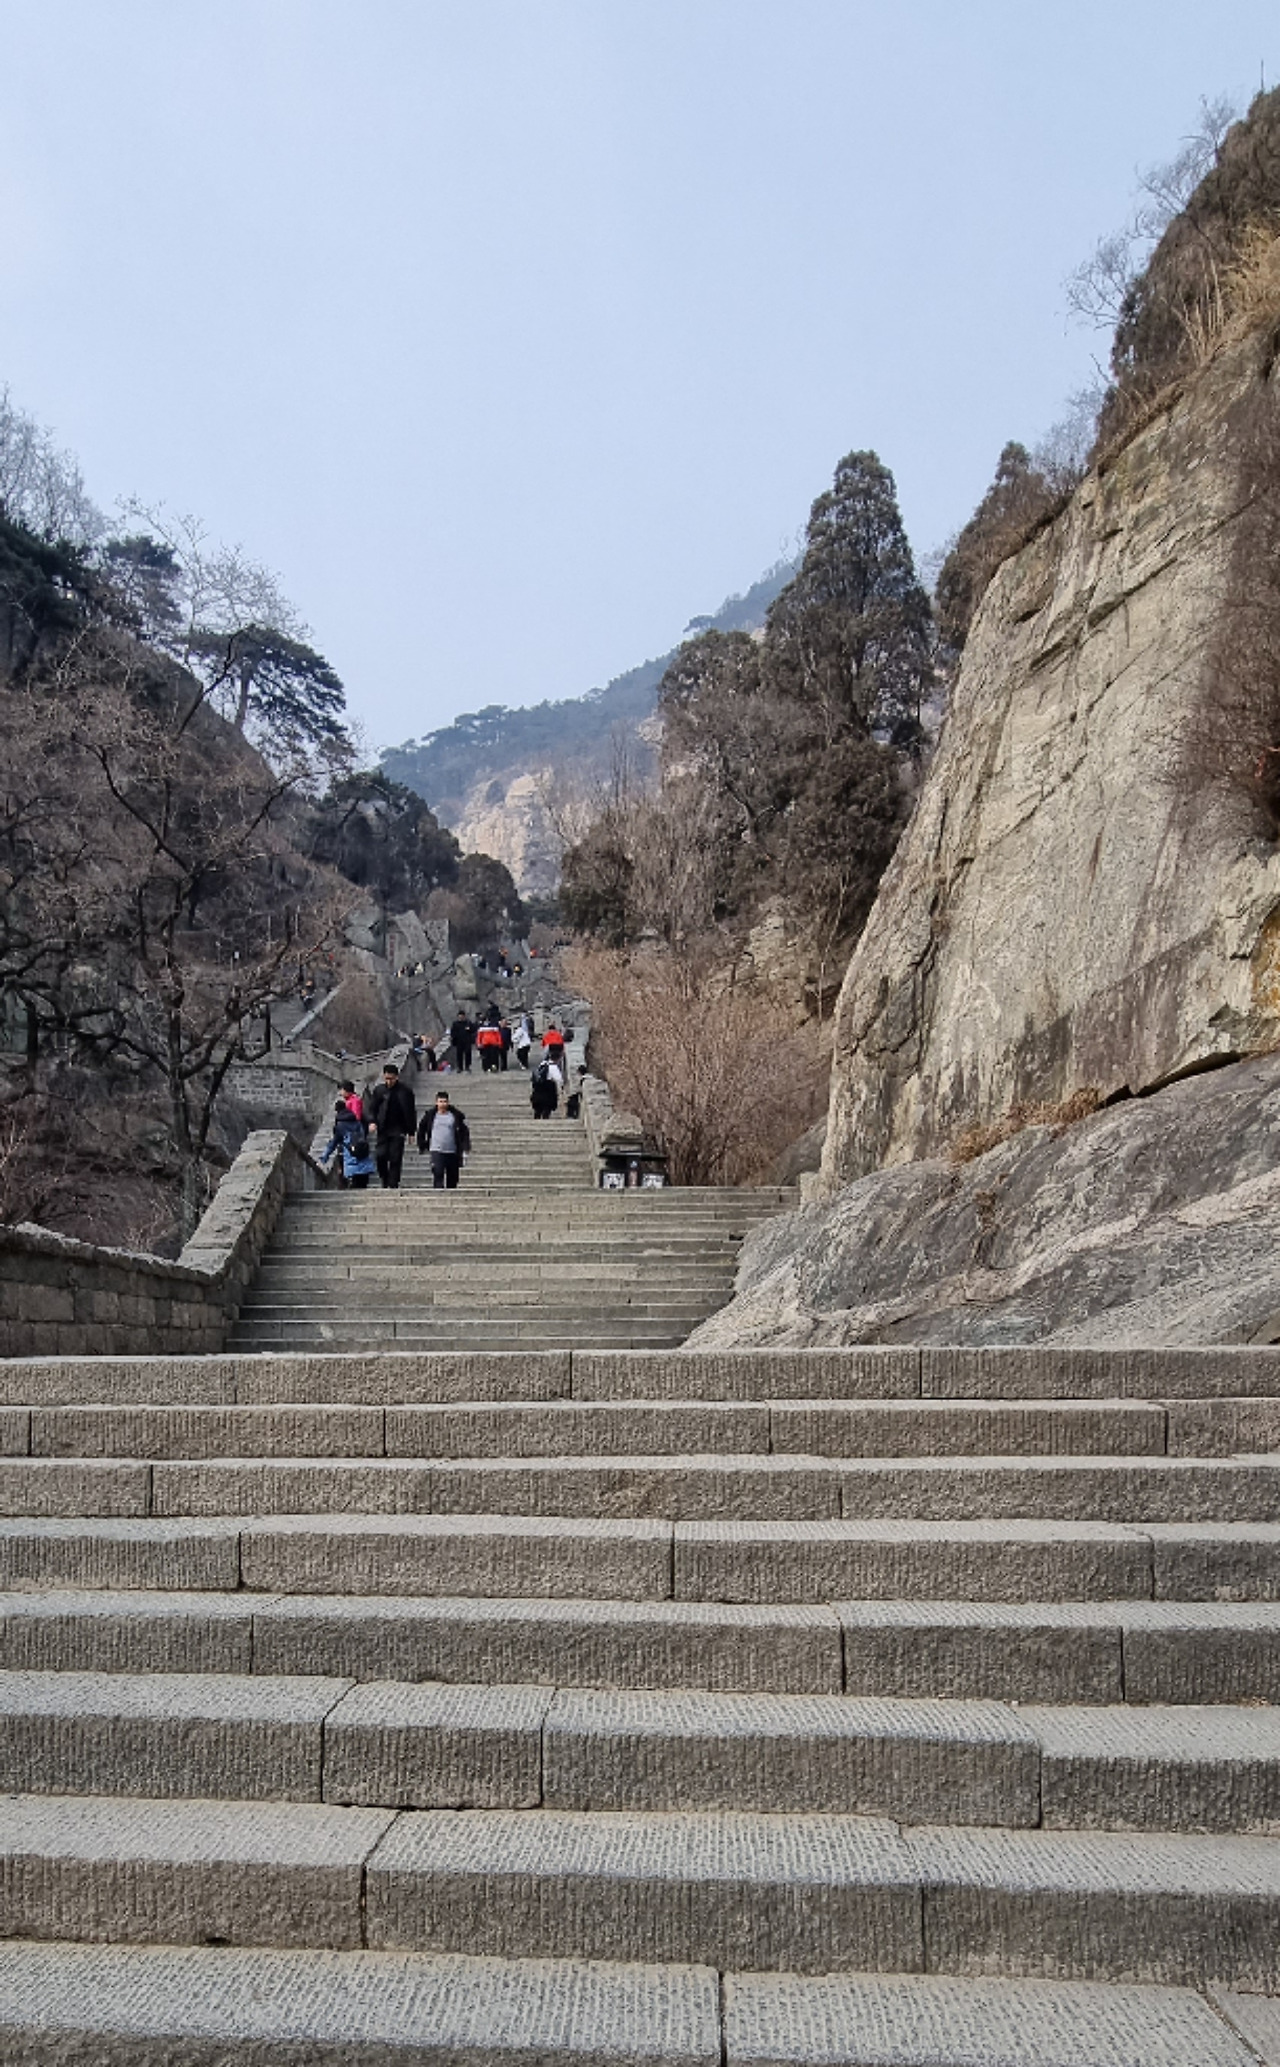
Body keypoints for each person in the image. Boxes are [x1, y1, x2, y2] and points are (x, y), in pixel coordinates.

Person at [368, 1063, 416, 1189]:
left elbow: (411, 1111)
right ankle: (385, 1179)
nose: (389, 1081)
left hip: (399, 1128)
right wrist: (372, 1121)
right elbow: (373, 1108)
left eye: (392, 1079)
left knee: (395, 1157)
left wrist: (411, 1132)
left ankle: (393, 1183)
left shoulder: (405, 1091)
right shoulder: (379, 1090)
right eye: (387, 1078)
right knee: (380, 1155)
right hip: (383, 1127)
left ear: (397, 1077)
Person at [417, 1088, 471, 1188]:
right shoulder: (431, 1115)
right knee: (438, 1172)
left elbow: (464, 1132)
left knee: (452, 1177)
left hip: (452, 1150)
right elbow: (422, 1129)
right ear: (436, 1102)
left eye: (445, 1101)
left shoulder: (455, 1116)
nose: (443, 1104)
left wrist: (465, 1146)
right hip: (436, 1149)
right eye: (440, 1101)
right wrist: (422, 1144)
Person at [319, 1098, 377, 1189]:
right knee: (362, 1184)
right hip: (363, 1156)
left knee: (354, 1186)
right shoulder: (357, 1122)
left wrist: (324, 1158)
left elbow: (333, 1143)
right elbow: (363, 1135)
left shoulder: (340, 1126)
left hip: (351, 1157)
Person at [530, 1053, 562, 1118]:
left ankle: (536, 1120)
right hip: (548, 1093)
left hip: (537, 1091)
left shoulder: (542, 1064)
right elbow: (559, 1079)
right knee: (546, 1110)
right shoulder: (553, 1067)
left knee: (538, 1111)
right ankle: (544, 1120)